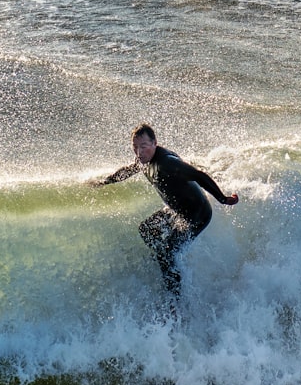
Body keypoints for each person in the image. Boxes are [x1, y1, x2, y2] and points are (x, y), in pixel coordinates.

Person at [92, 124, 238, 296]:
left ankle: (174, 302)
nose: (139, 152)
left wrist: (222, 198)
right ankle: (166, 260)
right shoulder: (143, 160)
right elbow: (128, 171)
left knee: (167, 254)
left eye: (143, 147)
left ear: (155, 143)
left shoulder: (167, 163)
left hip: (196, 215)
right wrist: (104, 182)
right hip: (176, 210)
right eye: (135, 147)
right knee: (146, 229)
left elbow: (199, 175)